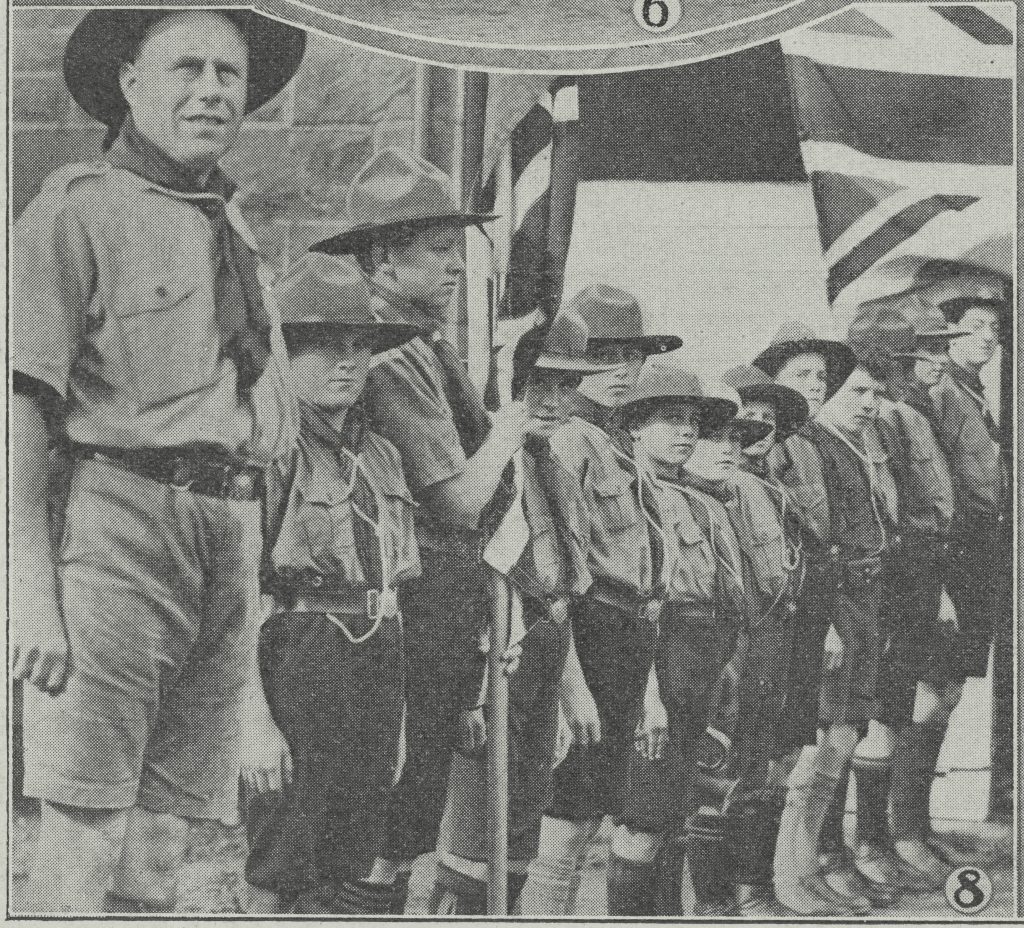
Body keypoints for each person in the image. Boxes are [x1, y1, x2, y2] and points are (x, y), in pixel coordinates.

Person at [10, 9, 306, 913]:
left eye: (229, 73)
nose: (212, 90)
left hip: (227, 533)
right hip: (120, 526)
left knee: (166, 836)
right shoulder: (78, 208)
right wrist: (27, 589)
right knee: (86, 827)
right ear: (131, 83)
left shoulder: (231, 224)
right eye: (186, 68)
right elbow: (21, 404)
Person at [309, 147, 530, 911]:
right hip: (416, 596)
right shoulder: (394, 355)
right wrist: (509, 431)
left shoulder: (422, 345)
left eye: (458, 251)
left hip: (441, 596)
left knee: (408, 817)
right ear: (378, 258)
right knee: (391, 815)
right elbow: (461, 503)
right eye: (438, 251)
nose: (456, 269)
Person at [239, 253, 426, 913]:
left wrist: (396, 719)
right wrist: (254, 720)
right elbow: (240, 595)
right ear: (283, 352)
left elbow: (396, 592)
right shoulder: (268, 450)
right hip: (298, 651)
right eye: (322, 346)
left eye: (358, 346)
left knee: (350, 856)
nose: (346, 362)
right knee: (280, 857)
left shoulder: (382, 456)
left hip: (375, 656)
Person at [428, 311, 620, 914]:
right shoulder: (484, 464)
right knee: (469, 847)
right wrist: (475, 690)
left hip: (537, 667)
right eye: (537, 381)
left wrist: (568, 690)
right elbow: (471, 573)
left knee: (515, 851)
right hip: (486, 667)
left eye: (567, 386)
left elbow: (554, 598)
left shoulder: (551, 467)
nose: (553, 400)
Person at [519, 285, 682, 916]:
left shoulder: (615, 443)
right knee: (567, 810)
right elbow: (561, 574)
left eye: (631, 358)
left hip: (626, 634)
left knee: (591, 812)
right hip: (586, 633)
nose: (620, 372)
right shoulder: (566, 441)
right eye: (603, 356)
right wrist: (574, 682)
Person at [607, 362, 748, 916]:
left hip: (698, 673)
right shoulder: (627, 496)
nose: (687, 431)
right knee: (641, 823)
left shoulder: (701, 502)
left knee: (673, 817)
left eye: (692, 421)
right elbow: (636, 610)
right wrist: (649, 700)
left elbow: (725, 601)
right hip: (654, 671)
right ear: (635, 427)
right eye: (670, 419)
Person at [767, 334, 900, 915]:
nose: (816, 385)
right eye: (803, 374)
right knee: (805, 754)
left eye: (822, 377)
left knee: (841, 741)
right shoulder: (779, 446)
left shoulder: (828, 441)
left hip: (853, 604)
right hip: (817, 608)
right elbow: (805, 540)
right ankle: (786, 878)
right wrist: (827, 623)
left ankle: (807, 867)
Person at [838, 301, 966, 894]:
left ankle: (888, 835)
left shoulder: (909, 410)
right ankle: (865, 842)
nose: (929, 363)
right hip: (894, 579)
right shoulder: (881, 417)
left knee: (896, 708)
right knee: (873, 717)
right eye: (919, 354)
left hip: (918, 574)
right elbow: (898, 508)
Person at [680, 365, 810, 917]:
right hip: (709, 659)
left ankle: (751, 894)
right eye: (714, 435)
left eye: (737, 437)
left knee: (755, 777)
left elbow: (780, 579)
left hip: (762, 654)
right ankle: (714, 906)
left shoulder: (755, 493)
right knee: (710, 786)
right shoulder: (670, 498)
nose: (728, 447)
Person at [892, 280, 1011, 873]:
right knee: (926, 692)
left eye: (995, 327)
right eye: (974, 326)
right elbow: (930, 489)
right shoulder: (936, 397)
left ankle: (915, 825)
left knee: (949, 692)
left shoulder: (969, 393)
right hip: (948, 556)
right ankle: (898, 834)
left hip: (975, 556)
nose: (988, 337)